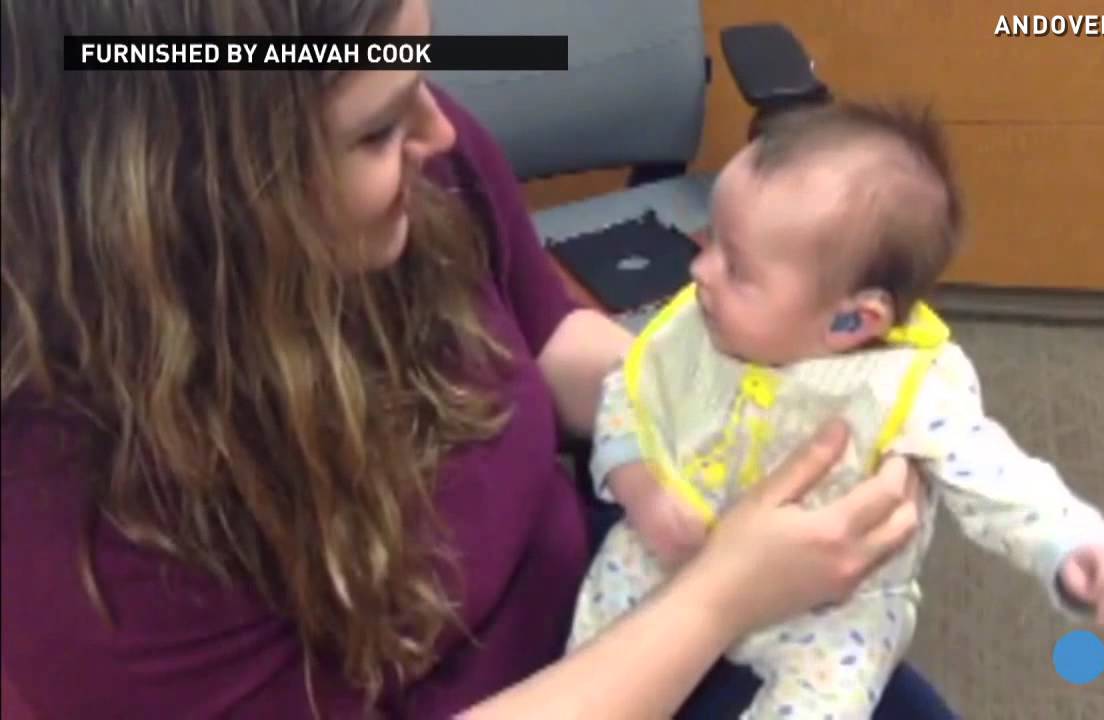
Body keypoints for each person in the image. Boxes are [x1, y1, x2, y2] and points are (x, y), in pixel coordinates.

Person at [0, 1, 955, 718]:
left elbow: (546, 336)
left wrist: (757, 410)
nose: (440, 130)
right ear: (191, 198)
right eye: (375, 129)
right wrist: (719, 599)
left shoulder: (427, 168)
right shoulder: (72, 520)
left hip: (604, 595)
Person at [569, 102, 1104, 718]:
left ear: (853, 319)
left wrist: (1075, 547)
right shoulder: (697, 326)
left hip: (831, 607)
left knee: (829, 698)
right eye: (711, 242)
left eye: (736, 267)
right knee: (597, 652)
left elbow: (1001, 482)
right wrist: (641, 492)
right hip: (680, 547)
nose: (699, 270)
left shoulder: (909, 389)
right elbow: (625, 398)